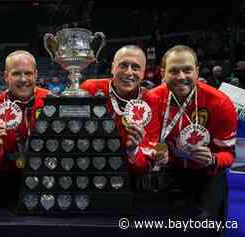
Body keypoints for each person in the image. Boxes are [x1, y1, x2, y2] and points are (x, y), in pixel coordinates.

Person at [149, 45, 237, 229]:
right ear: (163, 73)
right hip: (169, 171)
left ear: (196, 71)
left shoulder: (220, 103)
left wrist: (213, 159)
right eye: (173, 71)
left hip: (207, 174)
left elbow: (229, 155)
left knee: (205, 228)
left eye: (187, 70)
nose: (181, 76)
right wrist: (156, 152)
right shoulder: (152, 100)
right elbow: (148, 141)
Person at [0, 50, 50, 206]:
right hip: (6, 181)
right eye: (16, 74)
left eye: (28, 73)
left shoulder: (51, 101)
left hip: (46, 177)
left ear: (36, 75)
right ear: (6, 76)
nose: (23, 79)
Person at [80, 45, 162, 174]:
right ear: (113, 68)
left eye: (136, 67)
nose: (129, 72)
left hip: (127, 175)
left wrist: (132, 150)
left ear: (143, 73)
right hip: (89, 167)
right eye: (123, 65)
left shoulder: (152, 101)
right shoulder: (90, 88)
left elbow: (145, 163)